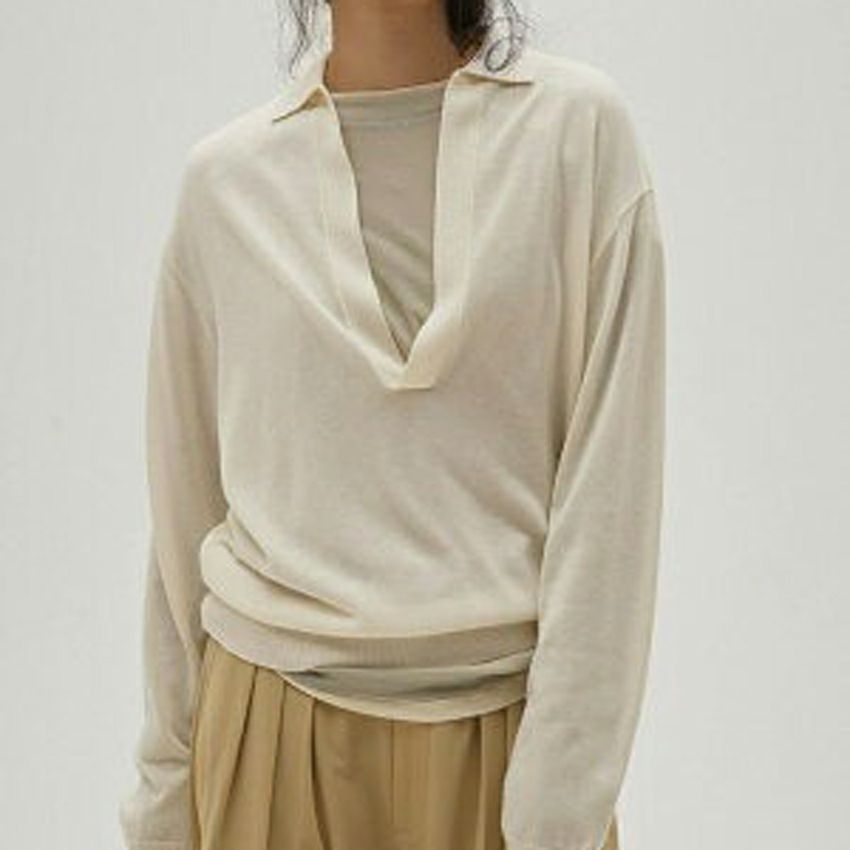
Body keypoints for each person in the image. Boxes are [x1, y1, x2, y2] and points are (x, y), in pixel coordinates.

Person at [118, 1, 666, 849]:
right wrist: (164, 809)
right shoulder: (226, 185)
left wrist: (558, 813)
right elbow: (182, 519)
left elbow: (612, 505)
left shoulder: (576, 137)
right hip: (266, 738)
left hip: (508, 742)